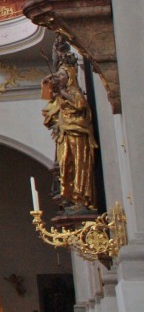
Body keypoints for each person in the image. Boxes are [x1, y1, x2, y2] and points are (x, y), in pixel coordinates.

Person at [41, 43, 98, 212]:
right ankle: (70, 196)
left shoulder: (73, 92)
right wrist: (49, 84)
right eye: (57, 75)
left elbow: (80, 105)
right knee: (65, 164)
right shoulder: (60, 96)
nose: (57, 78)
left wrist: (63, 93)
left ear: (70, 76)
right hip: (65, 133)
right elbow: (49, 108)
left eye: (61, 75)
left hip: (77, 133)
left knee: (78, 164)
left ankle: (80, 197)